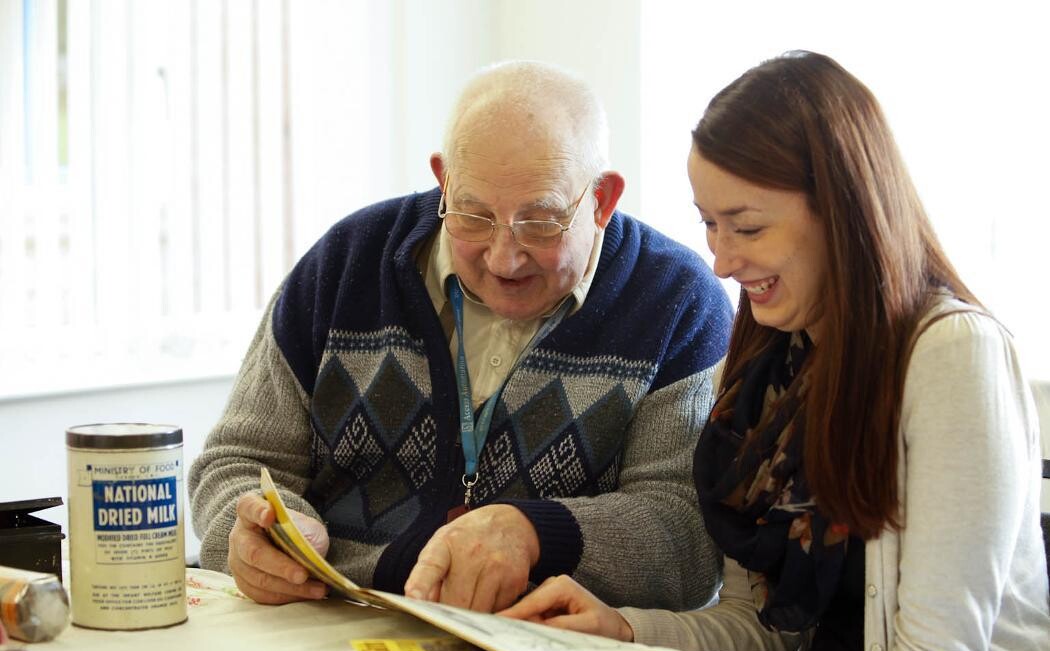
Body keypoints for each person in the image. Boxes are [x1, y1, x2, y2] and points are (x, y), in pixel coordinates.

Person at [501, 51, 1050, 651]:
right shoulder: (768, 370)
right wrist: (620, 629)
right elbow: (761, 630)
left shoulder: (953, 353)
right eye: (709, 224)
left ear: (843, 211)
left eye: (748, 227)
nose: (721, 262)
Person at [188, 60, 733, 614]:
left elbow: (687, 537)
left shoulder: (677, 301)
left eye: (540, 222)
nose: (504, 257)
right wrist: (253, 527)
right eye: (472, 216)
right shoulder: (346, 263)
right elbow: (237, 458)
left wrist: (537, 533)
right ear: (443, 180)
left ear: (602, 200)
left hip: (539, 644)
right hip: (329, 615)